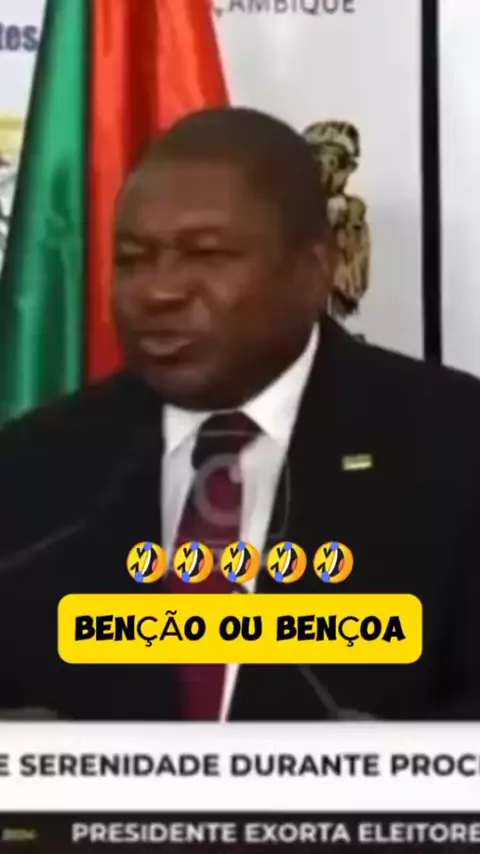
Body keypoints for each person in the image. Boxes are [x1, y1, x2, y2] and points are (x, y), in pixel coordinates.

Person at [0, 106, 479, 722]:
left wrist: (399, 762)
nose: (159, 291)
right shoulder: (32, 465)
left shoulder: (457, 447)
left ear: (315, 271)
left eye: (208, 255)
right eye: (133, 259)